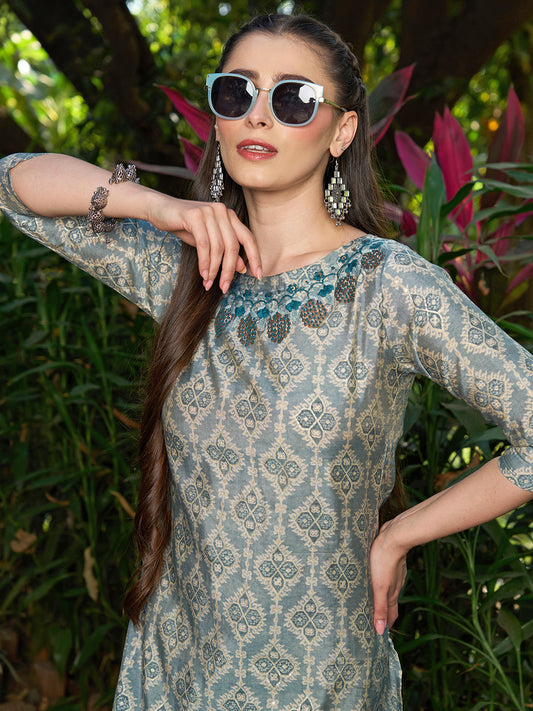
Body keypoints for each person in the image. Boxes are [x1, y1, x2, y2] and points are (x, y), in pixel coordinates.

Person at [1, 12, 532, 711]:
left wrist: (399, 533)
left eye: (293, 98)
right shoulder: (184, 269)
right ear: (218, 118)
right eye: (237, 92)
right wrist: (155, 206)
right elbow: (14, 183)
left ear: (341, 130)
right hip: (177, 670)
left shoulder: (389, 286)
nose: (258, 115)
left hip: (322, 679)